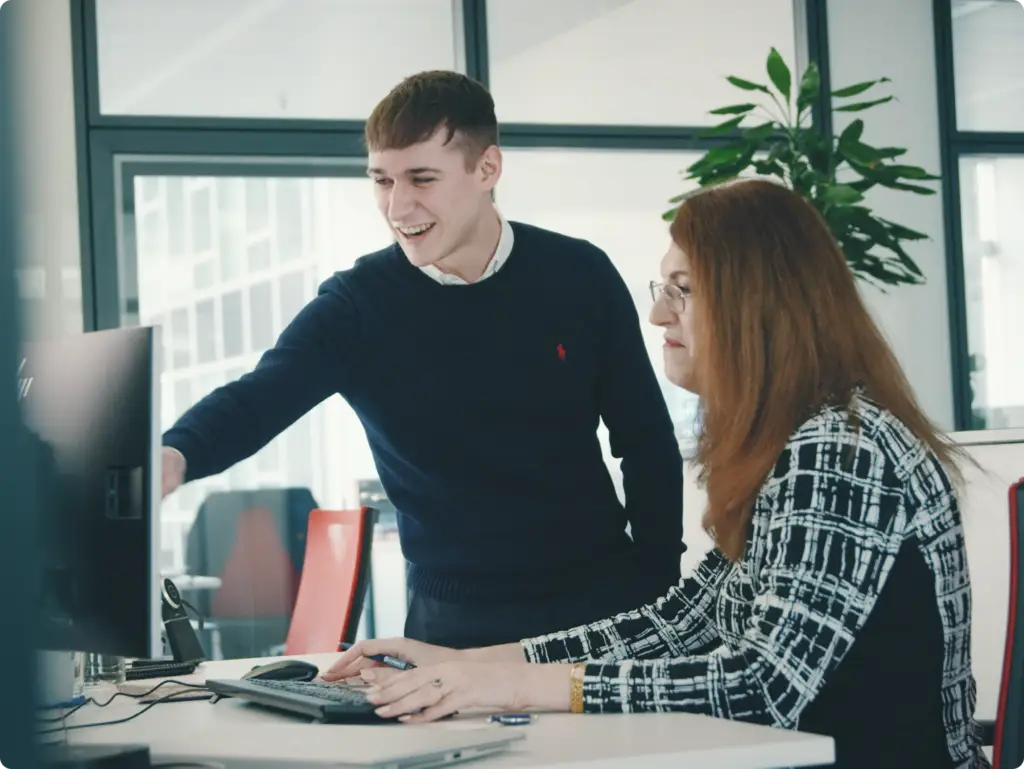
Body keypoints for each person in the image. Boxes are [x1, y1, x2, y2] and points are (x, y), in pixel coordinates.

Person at [323, 179, 989, 769]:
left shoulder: (841, 451)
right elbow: (683, 621)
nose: (657, 314)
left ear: (758, 305)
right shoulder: (794, 439)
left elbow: (767, 682)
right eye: (661, 287)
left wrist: (513, 686)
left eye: (684, 290)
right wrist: (470, 663)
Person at [160, 70, 684, 649]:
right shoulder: (357, 305)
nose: (397, 205)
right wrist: (175, 455)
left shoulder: (579, 275)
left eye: (422, 178)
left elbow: (644, 438)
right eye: (381, 180)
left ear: (487, 169)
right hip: (453, 625)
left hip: (599, 607)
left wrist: (657, 582)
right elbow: (259, 397)